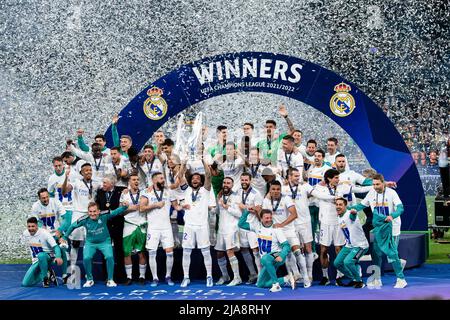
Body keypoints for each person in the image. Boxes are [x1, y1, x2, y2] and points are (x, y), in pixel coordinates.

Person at [348, 173, 407, 289]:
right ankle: (377, 279)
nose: (375, 186)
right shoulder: (371, 193)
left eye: (378, 184)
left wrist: (392, 215)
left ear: (383, 183)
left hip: (392, 227)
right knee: (376, 253)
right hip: (378, 228)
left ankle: (401, 279)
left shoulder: (391, 193)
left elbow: (401, 208)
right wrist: (348, 209)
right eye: (374, 184)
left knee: (392, 254)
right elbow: (361, 205)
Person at [63, 202, 129, 287]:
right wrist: (65, 237)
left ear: (98, 211)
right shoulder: (84, 219)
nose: (92, 214)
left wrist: (124, 207)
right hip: (90, 243)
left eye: (94, 211)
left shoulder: (104, 215)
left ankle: (110, 280)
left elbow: (115, 212)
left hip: (104, 241)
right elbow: (72, 226)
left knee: (109, 257)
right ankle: (90, 279)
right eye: (90, 211)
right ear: (88, 212)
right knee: (86, 258)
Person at [177, 157, 214, 288]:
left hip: (202, 225)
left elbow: (208, 175)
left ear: (201, 181)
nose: (195, 179)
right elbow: (180, 176)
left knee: (206, 251)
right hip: (189, 226)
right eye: (193, 178)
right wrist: (183, 163)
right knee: (186, 251)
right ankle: (186, 277)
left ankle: (209, 276)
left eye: (198, 178)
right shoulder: (186, 190)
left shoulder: (205, 190)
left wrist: (203, 159)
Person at [238, 209, 295, 292]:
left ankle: (276, 285)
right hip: (266, 260)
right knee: (260, 284)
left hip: (277, 255)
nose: (269, 220)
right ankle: (286, 279)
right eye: (266, 218)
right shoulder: (257, 227)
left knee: (264, 258)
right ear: (261, 218)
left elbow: (286, 246)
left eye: (270, 218)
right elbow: (241, 224)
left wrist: (282, 255)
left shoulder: (276, 229)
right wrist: (247, 211)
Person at [140, 172, 179, 286]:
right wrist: (155, 205)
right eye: (161, 178)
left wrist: (184, 206)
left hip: (166, 227)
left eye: (163, 178)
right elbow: (141, 208)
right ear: (154, 180)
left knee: (170, 253)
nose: (163, 180)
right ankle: (155, 278)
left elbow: (176, 206)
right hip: (153, 228)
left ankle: (168, 276)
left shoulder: (168, 191)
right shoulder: (146, 192)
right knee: (152, 253)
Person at [262, 181, 304, 285]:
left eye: (278, 189)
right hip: (276, 231)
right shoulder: (266, 201)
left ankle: (305, 276)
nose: (276, 191)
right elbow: (264, 216)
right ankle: (294, 276)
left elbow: (294, 214)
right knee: (285, 255)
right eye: (273, 189)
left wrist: (282, 224)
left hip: (288, 229)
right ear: (269, 190)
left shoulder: (286, 198)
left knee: (297, 252)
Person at [61, 163, 101, 268]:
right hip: (78, 214)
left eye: (90, 170)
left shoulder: (96, 184)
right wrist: (66, 177)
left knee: (90, 243)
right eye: (86, 170)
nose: (88, 172)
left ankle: (89, 269)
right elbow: (64, 192)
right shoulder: (76, 183)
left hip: (91, 215)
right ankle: (73, 268)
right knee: (75, 243)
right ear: (81, 173)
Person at [282, 168, 314, 285]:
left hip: (305, 221)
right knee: (293, 249)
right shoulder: (283, 189)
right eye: (295, 176)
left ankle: (309, 274)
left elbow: (315, 192)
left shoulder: (305, 186)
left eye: (298, 175)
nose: (298, 178)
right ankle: (296, 274)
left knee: (308, 248)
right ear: (289, 177)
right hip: (291, 223)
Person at [29, 188, 69, 283]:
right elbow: (35, 223)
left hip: (56, 233)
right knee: (43, 255)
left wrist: (60, 231)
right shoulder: (35, 207)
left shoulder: (55, 202)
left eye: (47, 197)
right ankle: (47, 273)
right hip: (43, 234)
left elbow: (65, 218)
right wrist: (44, 233)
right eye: (43, 198)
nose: (46, 199)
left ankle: (64, 275)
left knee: (62, 248)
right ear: (39, 198)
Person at [95, 174, 126, 283]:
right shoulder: (100, 192)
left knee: (119, 250)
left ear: (112, 184)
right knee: (105, 250)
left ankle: (121, 276)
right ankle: (106, 276)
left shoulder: (121, 190)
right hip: (105, 225)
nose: (102, 184)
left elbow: (132, 188)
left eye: (105, 183)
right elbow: (97, 208)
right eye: (103, 182)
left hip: (118, 224)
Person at [334, 198, 368, 288]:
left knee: (348, 262)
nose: (338, 206)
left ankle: (359, 281)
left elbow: (352, 216)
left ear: (345, 206)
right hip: (349, 245)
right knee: (337, 263)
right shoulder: (339, 216)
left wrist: (354, 213)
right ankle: (354, 278)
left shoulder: (349, 214)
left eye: (340, 204)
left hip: (360, 246)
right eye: (336, 204)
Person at [215, 177, 243, 286]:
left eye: (228, 183)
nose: (226, 184)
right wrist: (212, 209)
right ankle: (225, 276)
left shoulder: (237, 197)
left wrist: (227, 207)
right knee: (219, 253)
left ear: (232, 185)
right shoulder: (220, 196)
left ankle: (237, 277)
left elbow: (240, 214)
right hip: (221, 229)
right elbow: (218, 211)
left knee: (229, 252)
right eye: (224, 182)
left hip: (232, 228)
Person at [120, 174, 147, 285]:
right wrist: (130, 209)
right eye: (133, 180)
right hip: (128, 224)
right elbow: (120, 212)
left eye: (137, 179)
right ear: (129, 182)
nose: (136, 181)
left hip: (141, 224)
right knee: (127, 252)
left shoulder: (145, 193)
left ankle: (142, 277)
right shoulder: (124, 194)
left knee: (141, 252)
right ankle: (129, 277)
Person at [236, 172, 263, 284]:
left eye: (246, 180)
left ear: (250, 180)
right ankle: (253, 274)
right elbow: (239, 205)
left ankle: (261, 276)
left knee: (255, 251)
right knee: (244, 250)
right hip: (242, 225)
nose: (244, 182)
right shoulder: (238, 192)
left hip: (253, 226)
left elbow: (258, 209)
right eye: (242, 180)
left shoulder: (256, 193)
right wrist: (248, 207)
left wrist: (247, 207)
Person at [21, 217, 64, 287]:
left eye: (33, 226)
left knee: (41, 255)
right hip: (36, 261)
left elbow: (56, 246)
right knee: (25, 284)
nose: (31, 228)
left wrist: (58, 257)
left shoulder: (44, 233)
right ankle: (48, 273)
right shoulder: (25, 233)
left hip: (48, 257)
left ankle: (45, 278)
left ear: (37, 225)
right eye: (29, 226)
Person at [47, 156, 75, 237]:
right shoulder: (52, 178)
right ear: (53, 166)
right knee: (64, 231)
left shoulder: (71, 174)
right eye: (56, 166)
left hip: (70, 206)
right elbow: (50, 193)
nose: (58, 168)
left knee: (69, 228)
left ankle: (58, 236)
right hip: (59, 207)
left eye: (60, 165)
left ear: (63, 165)